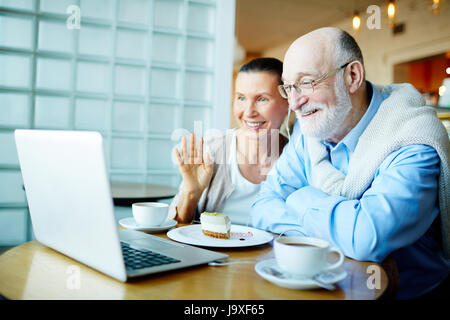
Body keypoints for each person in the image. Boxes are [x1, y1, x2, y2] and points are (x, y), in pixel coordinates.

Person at [251, 27, 450, 299]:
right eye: (289, 87)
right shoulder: (310, 131)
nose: (295, 103)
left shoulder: (413, 139)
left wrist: (299, 198)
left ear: (352, 76)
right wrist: (332, 229)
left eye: (307, 82)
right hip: (320, 286)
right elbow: (262, 205)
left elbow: (365, 238)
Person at [168, 57, 290, 225]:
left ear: (288, 102)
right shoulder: (211, 151)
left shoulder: (298, 158)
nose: (248, 112)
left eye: (262, 99)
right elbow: (172, 231)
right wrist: (191, 193)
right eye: (241, 98)